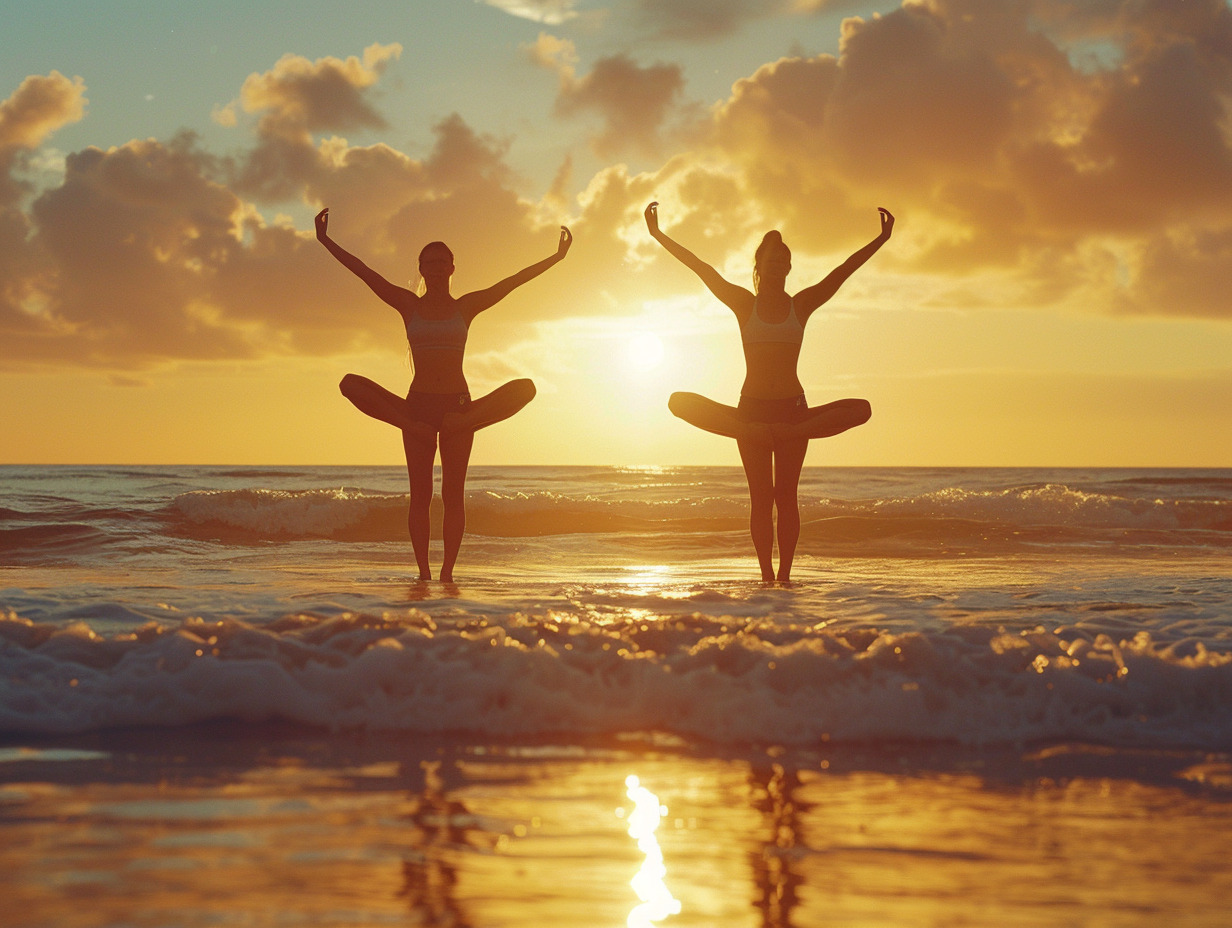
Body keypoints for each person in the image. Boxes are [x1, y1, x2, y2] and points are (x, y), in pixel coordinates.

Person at [316, 207, 572, 582]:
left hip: (458, 408)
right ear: (421, 270)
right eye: (428, 263)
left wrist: (557, 257)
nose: (435, 268)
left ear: (452, 268)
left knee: (457, 490)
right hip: (416, 409)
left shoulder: (465, 307)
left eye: (442, 262)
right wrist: (325, 241)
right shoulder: (409, 305)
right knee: (416, 490)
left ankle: (448, 574)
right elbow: (365, 273)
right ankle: (423, 573)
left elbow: (512, 282)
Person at [644, 201, 893, 582]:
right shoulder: (745, 304)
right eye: (771, 260)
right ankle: (765, 578)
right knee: (760, 496)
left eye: (784, 260)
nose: (777, 265)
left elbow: (842, 272)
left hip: (794, 412)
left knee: (792, 490)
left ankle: (785, 577)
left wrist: (880, 239)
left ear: (789, 268)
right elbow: (702, 270)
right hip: (751, 413)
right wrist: (659, 235)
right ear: (758, 267)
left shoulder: (802, 304)